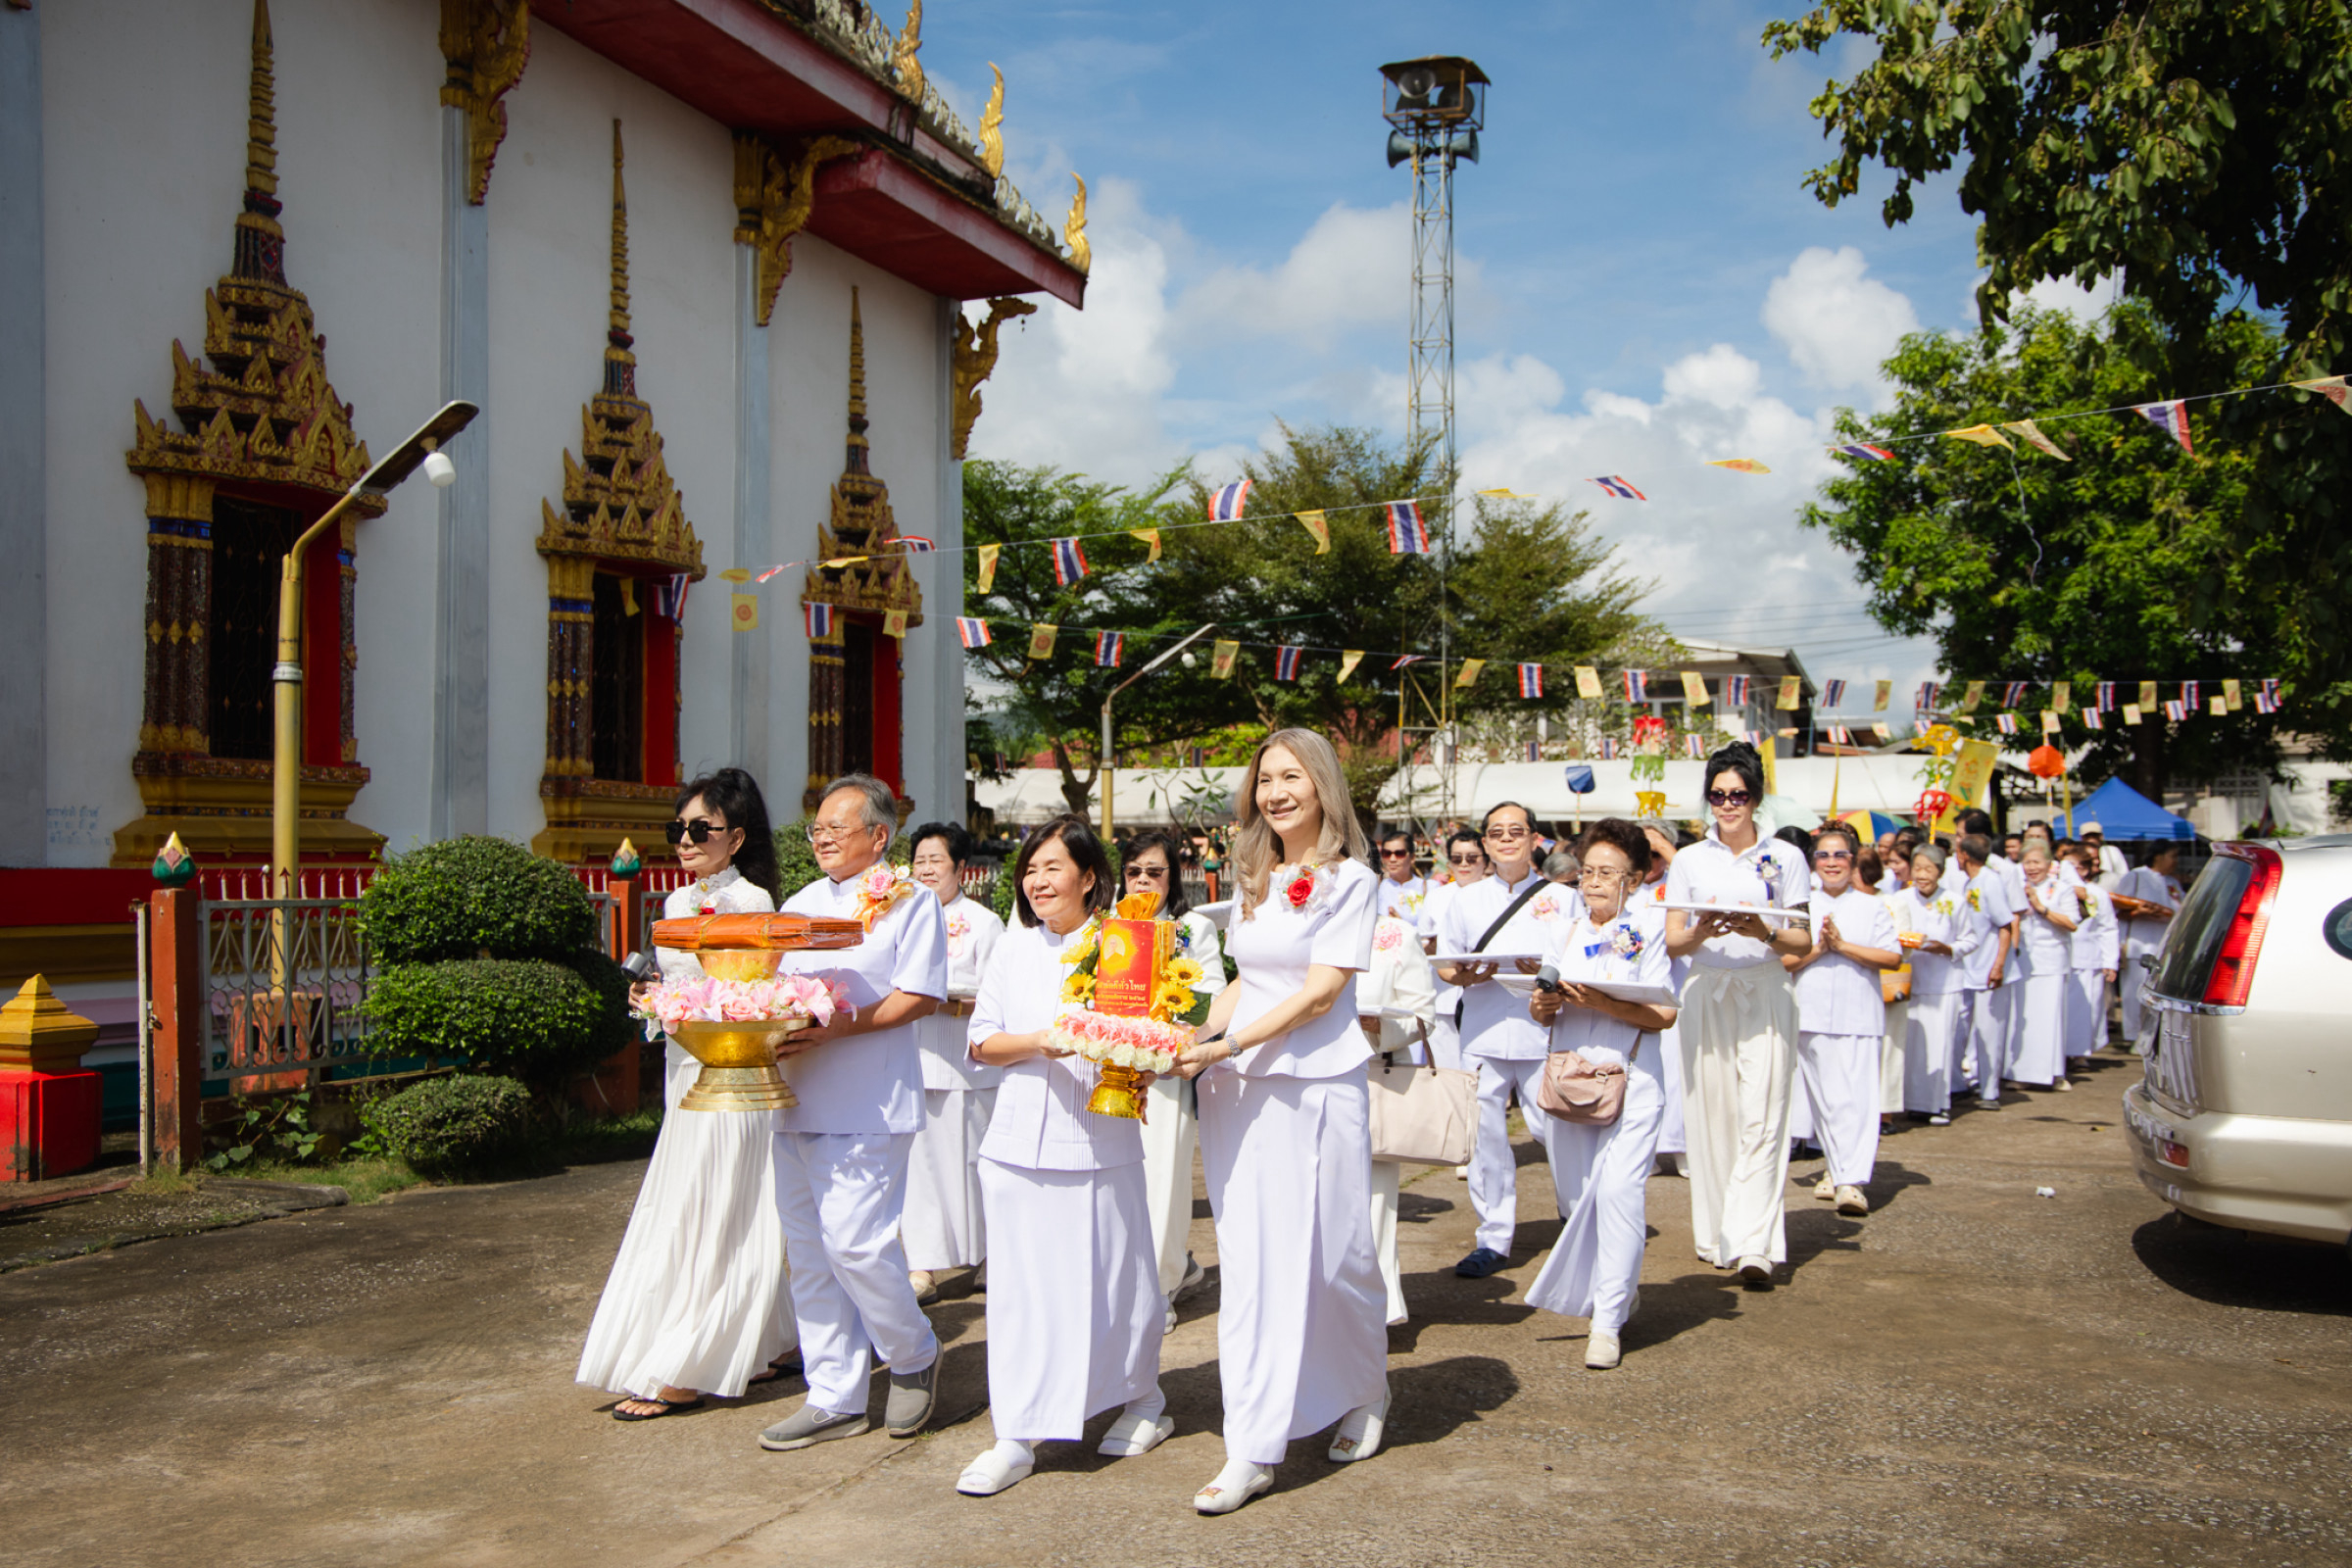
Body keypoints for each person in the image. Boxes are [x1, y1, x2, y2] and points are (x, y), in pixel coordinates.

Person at [1174, 729, 1384, 1515]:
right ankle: (1254, 1446)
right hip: (1240, 1089)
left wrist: (1226, 1042)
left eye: (1292, 777)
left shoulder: (1352, 881)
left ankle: (1364, 1388)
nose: (1276, 793)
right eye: (1266, 780)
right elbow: (1243, 979)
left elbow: (1320, 994)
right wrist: (1189, 1038)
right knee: (1256, 1264)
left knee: (1335, 1256)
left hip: (1315, 1088)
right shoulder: (1257, 873)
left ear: (1323, 785)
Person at [953, 815, 1171, 1496]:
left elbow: (1156, 1032)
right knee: (1019, 1292)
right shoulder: (1012, 949)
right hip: (1016, 1141)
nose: (1039, 881)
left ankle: (1141, 1398)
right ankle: (1016, 1432)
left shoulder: (1123, 945)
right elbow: (980, 1041)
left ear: (1088, 876)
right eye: (1031, 869)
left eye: (1053, 867)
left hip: (1099, 1135)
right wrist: (1041, 1041)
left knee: (1115, 1277)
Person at [578, 768, 798, 1420]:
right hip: (683, 1071)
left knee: (722, 1207)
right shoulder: (676, 904)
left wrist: (692, 1006)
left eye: (701, 829)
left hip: (733, 1077)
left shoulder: (755, 903)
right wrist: (654, 1002)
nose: (686, 839)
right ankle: (764, 1340)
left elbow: (752, 997)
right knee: (690, 1204)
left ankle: (693, 1359)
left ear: (736, 837)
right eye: (678, 828)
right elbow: (682, 991)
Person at [758, 774, 949, 1452]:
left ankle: (913, 1352)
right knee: (809, 1253)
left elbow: (918, 996)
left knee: (856, 1244)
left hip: (869, 1098)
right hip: (798, 1092)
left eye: (838, 828)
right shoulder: (802, 903)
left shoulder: (910, 901)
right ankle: (833, 1394)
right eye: (817, 828)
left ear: (878, 836)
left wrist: (841, 1026)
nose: (823, 839)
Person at [1523, 818, 1678, 1370]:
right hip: (1569, 1082)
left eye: (1607, 873)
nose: (1592, 882)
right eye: (1587, 871)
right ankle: (1616, 1287)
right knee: (1575, 1198)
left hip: (1632, 1081)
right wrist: (1543, 1005)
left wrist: (1603, 1003)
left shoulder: (1650, 930)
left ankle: (1606, 1322)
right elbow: (1541, 1005)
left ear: (1632, 880)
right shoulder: (1561, 930)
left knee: (1617, 1195)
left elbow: (1664, 1013)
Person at [1663, 742, 1814, 1288]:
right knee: (1713, 1114)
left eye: (1739, 795)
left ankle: (1756, 1242)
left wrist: (1763, 931)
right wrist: (1702, 930)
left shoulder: (1786, 858)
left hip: (1766, 987)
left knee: (1763, 1113)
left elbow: (1801, 937)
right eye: (1719, 795)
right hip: (1707, 987)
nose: (1728, 805)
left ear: (1756, 799)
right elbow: (1673, 940)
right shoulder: (1689, 859)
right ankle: (1718, 1232)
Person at [1437, 801, 1585, 1279]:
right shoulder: (1463, 899)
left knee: (1558, 1129)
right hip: (1481, 1028)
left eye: (1515, 831)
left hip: (1541, 1029)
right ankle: (1493, 1237)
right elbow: (1446, 964)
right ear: (1483, 843)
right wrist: (1465, 975)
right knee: (1486, 1137)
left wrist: (1541, 971)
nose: (1505, 839)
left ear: (1534, 839)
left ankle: (1578, 1218)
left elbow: (1578, 959)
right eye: (1495, 832)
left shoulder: (1563, 898)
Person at [1121, 828, 1226, 1331]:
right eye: (1134, 871)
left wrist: (1174, 1029)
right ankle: (1154, 1271)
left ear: (1173, 876)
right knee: (1120, 1183)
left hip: (1166, 1074)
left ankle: (1159, 1286)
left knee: (1162, 1179)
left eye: (1154, 872)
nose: (1143, 881)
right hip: (1113, 1068)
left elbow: (1210, 996)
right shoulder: (1108, 925)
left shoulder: (1192, 928)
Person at [902, 821, 1004, 1302]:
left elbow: (1000, 995)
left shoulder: (984, 923)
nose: (925, 870)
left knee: (975, 1161)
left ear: (960, 868)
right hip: (911, 1059)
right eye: (918, 860)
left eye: (935, 860)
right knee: (918, 1167)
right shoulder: (895, 917)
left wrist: (953, 1003)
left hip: (967, 1060)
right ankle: (922, 1266)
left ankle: (991, 1253)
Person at [1788, 823, 1902, 1217]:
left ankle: (1851, 1181)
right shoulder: (1801, 905)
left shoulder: (1872, 905)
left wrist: (1845, 947)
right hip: (1812, 1012)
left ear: (1853, 861)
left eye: (1839, 855)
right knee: (1825, 1100)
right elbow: (1785, 962)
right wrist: (1821, 949)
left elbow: (1892, 958)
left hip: (1859, 1014)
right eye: (1824, 855)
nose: (1831, 862)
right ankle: (1837, 1171)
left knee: (1858, 1099)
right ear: (1813, 862)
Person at [1357, 910, 1437, 1325]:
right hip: (1310, 1081)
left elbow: (1424, 1015)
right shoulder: (1304, 926)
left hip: (1377, 1078)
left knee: (1374, 1200)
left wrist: (1380, 1025)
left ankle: (1379, 1309)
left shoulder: (1395, 935)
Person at [1884, 844, 1974, 1124]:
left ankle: (1937, 1103)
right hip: (1907, 980)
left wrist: (1944, 948)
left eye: (1929, 869)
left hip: (1942, 983)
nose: (1922, 875)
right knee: (1908, 1046)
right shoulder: (1899, 898)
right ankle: (1908, 1102)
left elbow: (1970, 940)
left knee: (1939, 1045)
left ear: (1940, 872)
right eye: (1918, 868)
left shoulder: (1955, 901)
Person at [1627, 820, 1690, 1176]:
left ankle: (1683, 1150)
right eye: (1642, 853)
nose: (1649, 860)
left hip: (1677, 992)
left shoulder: (1680, 885)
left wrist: (1668, 850)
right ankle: (1644, 1154)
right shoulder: (1626, 888)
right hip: (1633, 995)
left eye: (1655, 854)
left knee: (1680, 1076)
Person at [1950, 832, 2017, 1108]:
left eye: (1957, 851)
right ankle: (1958, 1084)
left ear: (1964, 855)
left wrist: (1999, 964)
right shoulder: (1971, 883)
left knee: (1990, 1031)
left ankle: (1990, 1091)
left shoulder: (1990, 882)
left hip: (1990, 969)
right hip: (1969, 968)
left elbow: (2005, 924)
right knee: (1960, 1026)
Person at [1417, 829, 1489, 1074]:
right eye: (1457, 858)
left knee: (1481, 1076)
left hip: (1484, 994)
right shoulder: (1436, 897)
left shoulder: (1495, 897)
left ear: (1485, 859)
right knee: (1447, 1073)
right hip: (1444, 997)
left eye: (1472, 858)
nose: (1464, 864)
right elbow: (1423, 944)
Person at [2010, 844, 2080, 1092]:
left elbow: (2072, 923)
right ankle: (2021, 1072)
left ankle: (2053, 1073)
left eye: (2037, 862)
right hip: (2024, 962)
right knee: (2024, 1019)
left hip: (2052, 962)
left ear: (2050, 865)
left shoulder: (2062, 889)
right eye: (2027, 862)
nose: (2032, 868)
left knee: (2050, 1019)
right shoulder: (2017, 889)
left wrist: (2042, 908)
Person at [2114, 843, 2183, 1049]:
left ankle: (2155, 1038)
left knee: (2158, 996)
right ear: (2158, 856)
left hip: (2163, 946)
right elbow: (2118, 909)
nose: (2176, 862)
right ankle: (2135, 1037)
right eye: (2172, 856)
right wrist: (2141, 913)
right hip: (2138, 944)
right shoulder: (2135, 876)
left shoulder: (2172, 882)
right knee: (2134, 994)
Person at [2065, 844, 2120, 1065]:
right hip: (2063, 958)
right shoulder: (2055, 890)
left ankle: (2079, 1053)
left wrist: (2110, 961)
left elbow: (2108, 927)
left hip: (2089, 958)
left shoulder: (2097, 894)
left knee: (2087, 1009)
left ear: (2084, 869)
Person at [1373, 829, 1431, 921]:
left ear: (1412, 858)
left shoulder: (1428, 888)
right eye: (1387, 854)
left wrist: (1402, 924)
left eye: (1399, 854)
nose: (1392, 859)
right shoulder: (1377, 888)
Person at [2080, 823, 2130, 889]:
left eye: (2094, 836)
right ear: (2082, 838)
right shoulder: (2077, 853)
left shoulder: (2112, 851)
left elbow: (2124, 874)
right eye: (2088, 836)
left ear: (2101, 836)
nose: (2091, 839)